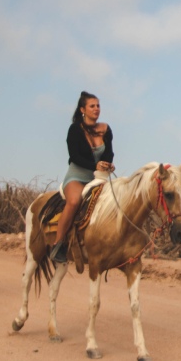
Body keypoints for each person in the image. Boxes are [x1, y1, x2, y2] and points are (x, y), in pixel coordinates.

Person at [49, 91, 115, 263]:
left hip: (98, 178)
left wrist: (108, 164)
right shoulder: (74, 130)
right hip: (77, 176)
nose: (96, 109)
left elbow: (109, 153)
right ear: (82, 110)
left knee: (114, 200)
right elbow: (74, 156)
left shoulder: (105, 129)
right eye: (92, 106)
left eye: (98, 105)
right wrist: (95, 165)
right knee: (74, 201)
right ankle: (58, 245)